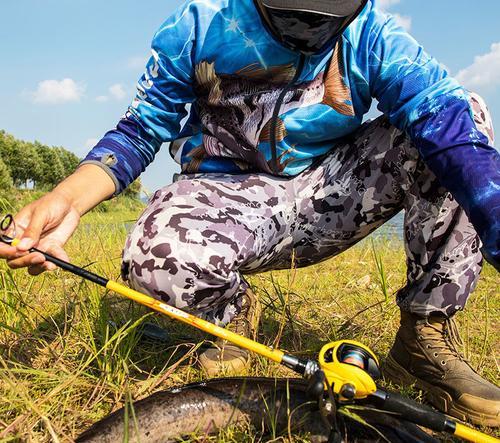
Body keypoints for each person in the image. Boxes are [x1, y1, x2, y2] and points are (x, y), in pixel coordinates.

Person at [1, 0, 499, 427]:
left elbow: (445, 120)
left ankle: (424, 334)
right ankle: (230, 317)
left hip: (330, 189)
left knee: (464, 114)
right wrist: (66, 199)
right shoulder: (199, 26)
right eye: (292, 20)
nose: (307, 34)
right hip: (225, 196)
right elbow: (140, 129)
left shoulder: (375, 34)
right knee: (156, 256)